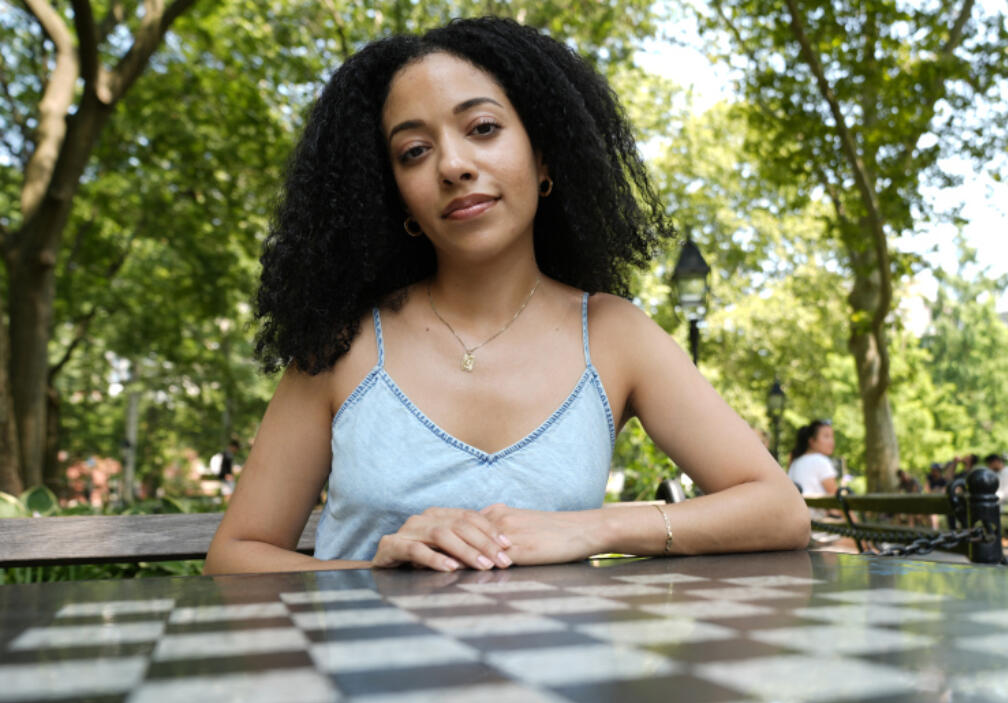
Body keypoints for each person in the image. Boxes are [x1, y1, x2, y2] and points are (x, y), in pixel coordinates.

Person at [205, 19, 810, 575]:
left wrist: (589, 530)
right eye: (414, 151)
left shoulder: (612, 334)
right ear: (397, 198)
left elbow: (780, 510)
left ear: (544, 158)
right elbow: (232, 557)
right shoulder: (346, 342)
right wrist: (372, 573)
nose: (453, 165)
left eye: (483, 128)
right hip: (369, 682)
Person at [787, 420, 838, 497]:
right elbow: (837, 501)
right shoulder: (820, 461)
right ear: (812, 441)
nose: (832, 441)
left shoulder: (795, 462)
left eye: (832, 436)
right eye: (826, 436)